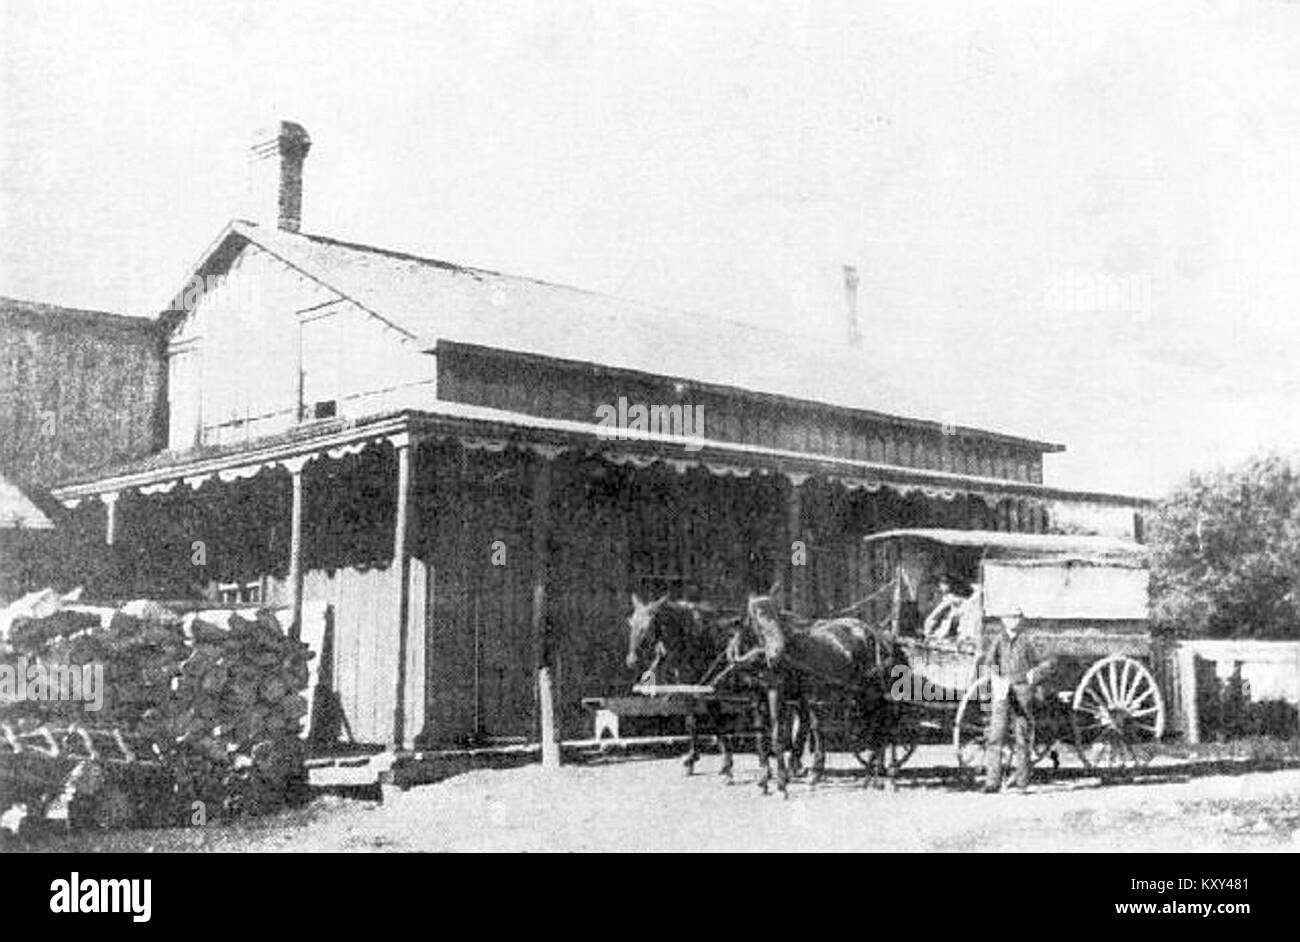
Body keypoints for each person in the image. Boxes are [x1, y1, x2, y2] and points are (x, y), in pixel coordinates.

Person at [976, 606, 1053, 793]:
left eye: (1016, 617)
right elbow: (988, 662)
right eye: (1009, 617)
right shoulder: (999, 640)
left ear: (1021, 619)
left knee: (1022, 737)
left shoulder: (1028, 641)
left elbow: (1048, 662)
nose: (1013, 621)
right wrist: (995, 679)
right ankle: (992, 782)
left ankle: (1022, 783)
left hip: (1022, 690)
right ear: (1003, 620)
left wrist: (1034, 674)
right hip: (1002, 691)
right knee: (996, 735)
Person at [923, 577, 970, 641]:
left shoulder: (950, 598)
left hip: (952, 624)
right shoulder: (946, 597)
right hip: (946, 624)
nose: (942, 587)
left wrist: (929, 621)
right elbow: (937, 612)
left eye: (945, 584)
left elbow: (938, 612)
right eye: (941, 585)